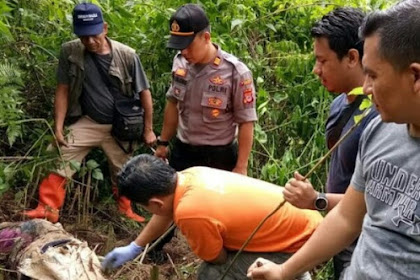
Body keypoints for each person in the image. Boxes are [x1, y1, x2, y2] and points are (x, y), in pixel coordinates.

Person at [248, 0, 420, 279]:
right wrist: (283, 271)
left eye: (374, 75)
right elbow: (347, 218)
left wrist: (317, 200)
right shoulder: (380, 131)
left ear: (415, 76)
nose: (365, 87)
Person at [24, 3, 156, 223]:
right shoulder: (70, 51)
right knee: (57, 153)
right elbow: (63, 90)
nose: (90, 42)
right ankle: (48, 207)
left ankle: (125, 211)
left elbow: (145, 93)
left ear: (105, 28)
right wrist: (58, 127)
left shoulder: (127, 55)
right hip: (88, 121)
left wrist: (148, 129)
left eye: (94, 35)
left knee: (124, 171)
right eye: (84, 37)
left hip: (120, 126)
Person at [102, 154, 323, 279]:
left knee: (212, 274)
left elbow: (218, 258)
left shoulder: (189, 213)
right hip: (311, 227)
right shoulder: (189, 175)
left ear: (155, 203)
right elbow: (165, 212)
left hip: (301, 245)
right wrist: (136, 246)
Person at [282, 7, 377, 279]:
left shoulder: (379, 117)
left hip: (364, 241)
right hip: (340, 234)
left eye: (322, 61)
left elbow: (374, 199)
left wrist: (317, 200)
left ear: (352, 57)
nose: (316, 70)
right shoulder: (339, 104)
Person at [154, 3, 257, 176]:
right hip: (183, 152)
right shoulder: (179, 62)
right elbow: (172, 103)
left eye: (188, 45)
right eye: (179, 45)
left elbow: (246, 121)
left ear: (206, 37)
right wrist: (163, 143)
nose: (184, 51)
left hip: (219, 157)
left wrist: (241, 166)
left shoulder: (235, 72)